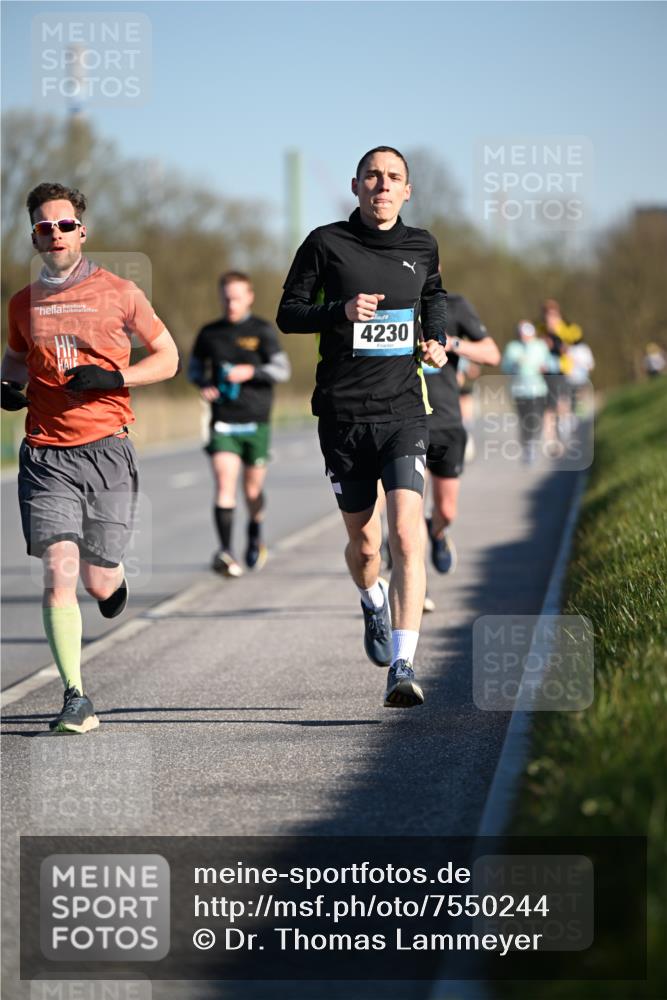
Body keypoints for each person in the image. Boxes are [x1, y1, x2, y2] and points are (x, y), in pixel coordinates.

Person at [1, 181, 179, 734]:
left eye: (63, 224)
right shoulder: (23, 303)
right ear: (34, 236)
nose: (54, 234)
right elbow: (13, 361)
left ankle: (113, 579)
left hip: (106, 450)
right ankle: (75, 697)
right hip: (46, 453)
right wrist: (7, 386)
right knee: (59, 571)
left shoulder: (120, 292)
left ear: (83, 230)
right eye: (43, 227)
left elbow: (169, 358)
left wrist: (116, 376)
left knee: (99, 582)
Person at [277, 146, 448, 709]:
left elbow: (433, 296)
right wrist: (340, 312)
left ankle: (402, 664)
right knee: (367, 544)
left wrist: (437, 339)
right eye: (373, 176)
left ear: (407, 190)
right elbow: (289, 312)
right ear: (355, 185)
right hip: (343, 416)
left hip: (403, 411)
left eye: (393, 177)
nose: (382, 184)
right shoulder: (326, 243)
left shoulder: (422, 245)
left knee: (406, 533)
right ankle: (371, 599)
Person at [188, 271, 291, 577]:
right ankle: (226, 552)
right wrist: (204, 383)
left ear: (249, 297)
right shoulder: (209, 333)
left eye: (237, 296)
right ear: (220, 297)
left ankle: (255, 531)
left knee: (252, 490)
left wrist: (251, 372)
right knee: (224, 485)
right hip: (223, 421)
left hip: (256, 420)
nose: (231, 302)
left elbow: (282, 370)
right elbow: (193, 369)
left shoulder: (261, 330)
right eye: (226, 296)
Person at [423, 294, 500, 573]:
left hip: (446, 422)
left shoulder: (454, 306)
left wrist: (453, 343)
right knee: (406, 516)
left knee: (446, 511)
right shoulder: (393, 302)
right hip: (405, 422)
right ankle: (416, 590)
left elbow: (492, 354)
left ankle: (437, 532)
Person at [501, 321, 552, 463]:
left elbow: (549, 363)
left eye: (528, 334)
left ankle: (533, 442)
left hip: (538, 389)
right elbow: (504, 367)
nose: (525, 337)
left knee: (536, 418)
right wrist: (513, 365)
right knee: (524, 420)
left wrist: (545, 367)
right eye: (522, 334)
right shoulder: (512, 347)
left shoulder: (540, 346)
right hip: (519, 390)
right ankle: (528, 447)